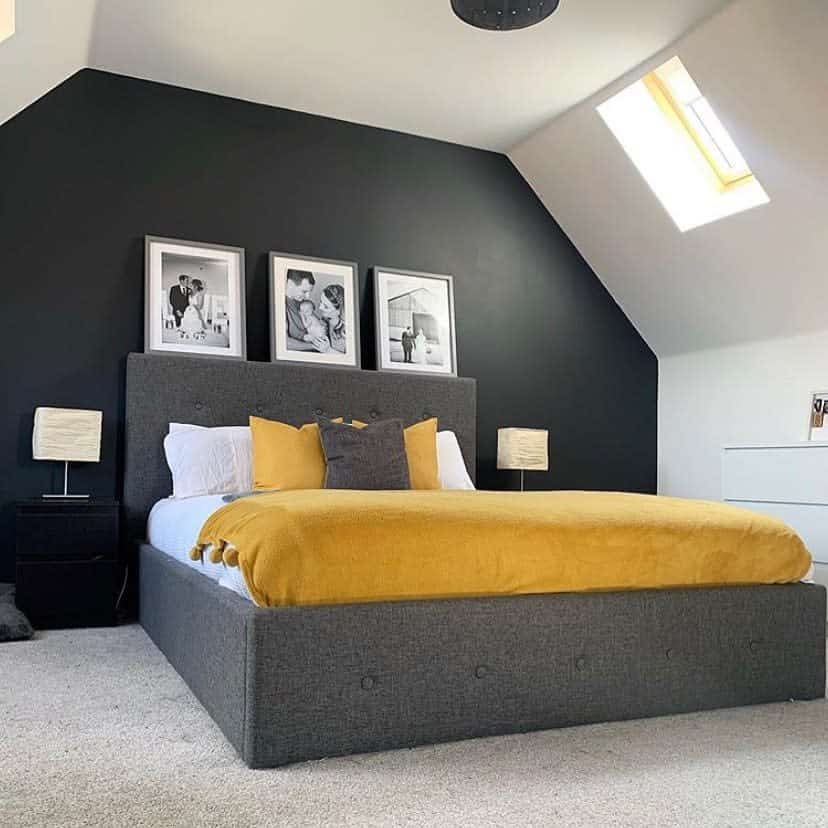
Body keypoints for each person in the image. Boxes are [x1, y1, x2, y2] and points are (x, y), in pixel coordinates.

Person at [285, 269, 317, 351]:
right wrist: (315, 346)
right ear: (290, 283)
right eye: (304, 291)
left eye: (309, 292)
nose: (308, 297)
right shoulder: (280, 304)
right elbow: (284, 342)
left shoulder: (301, 302)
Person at [312, 284, 347, 354]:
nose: (320, 307)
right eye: (321, 302)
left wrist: (328, 350)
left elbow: (349, 359)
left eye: (326, 306)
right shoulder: (324, 320)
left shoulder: (347, 332)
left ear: (338, 311)